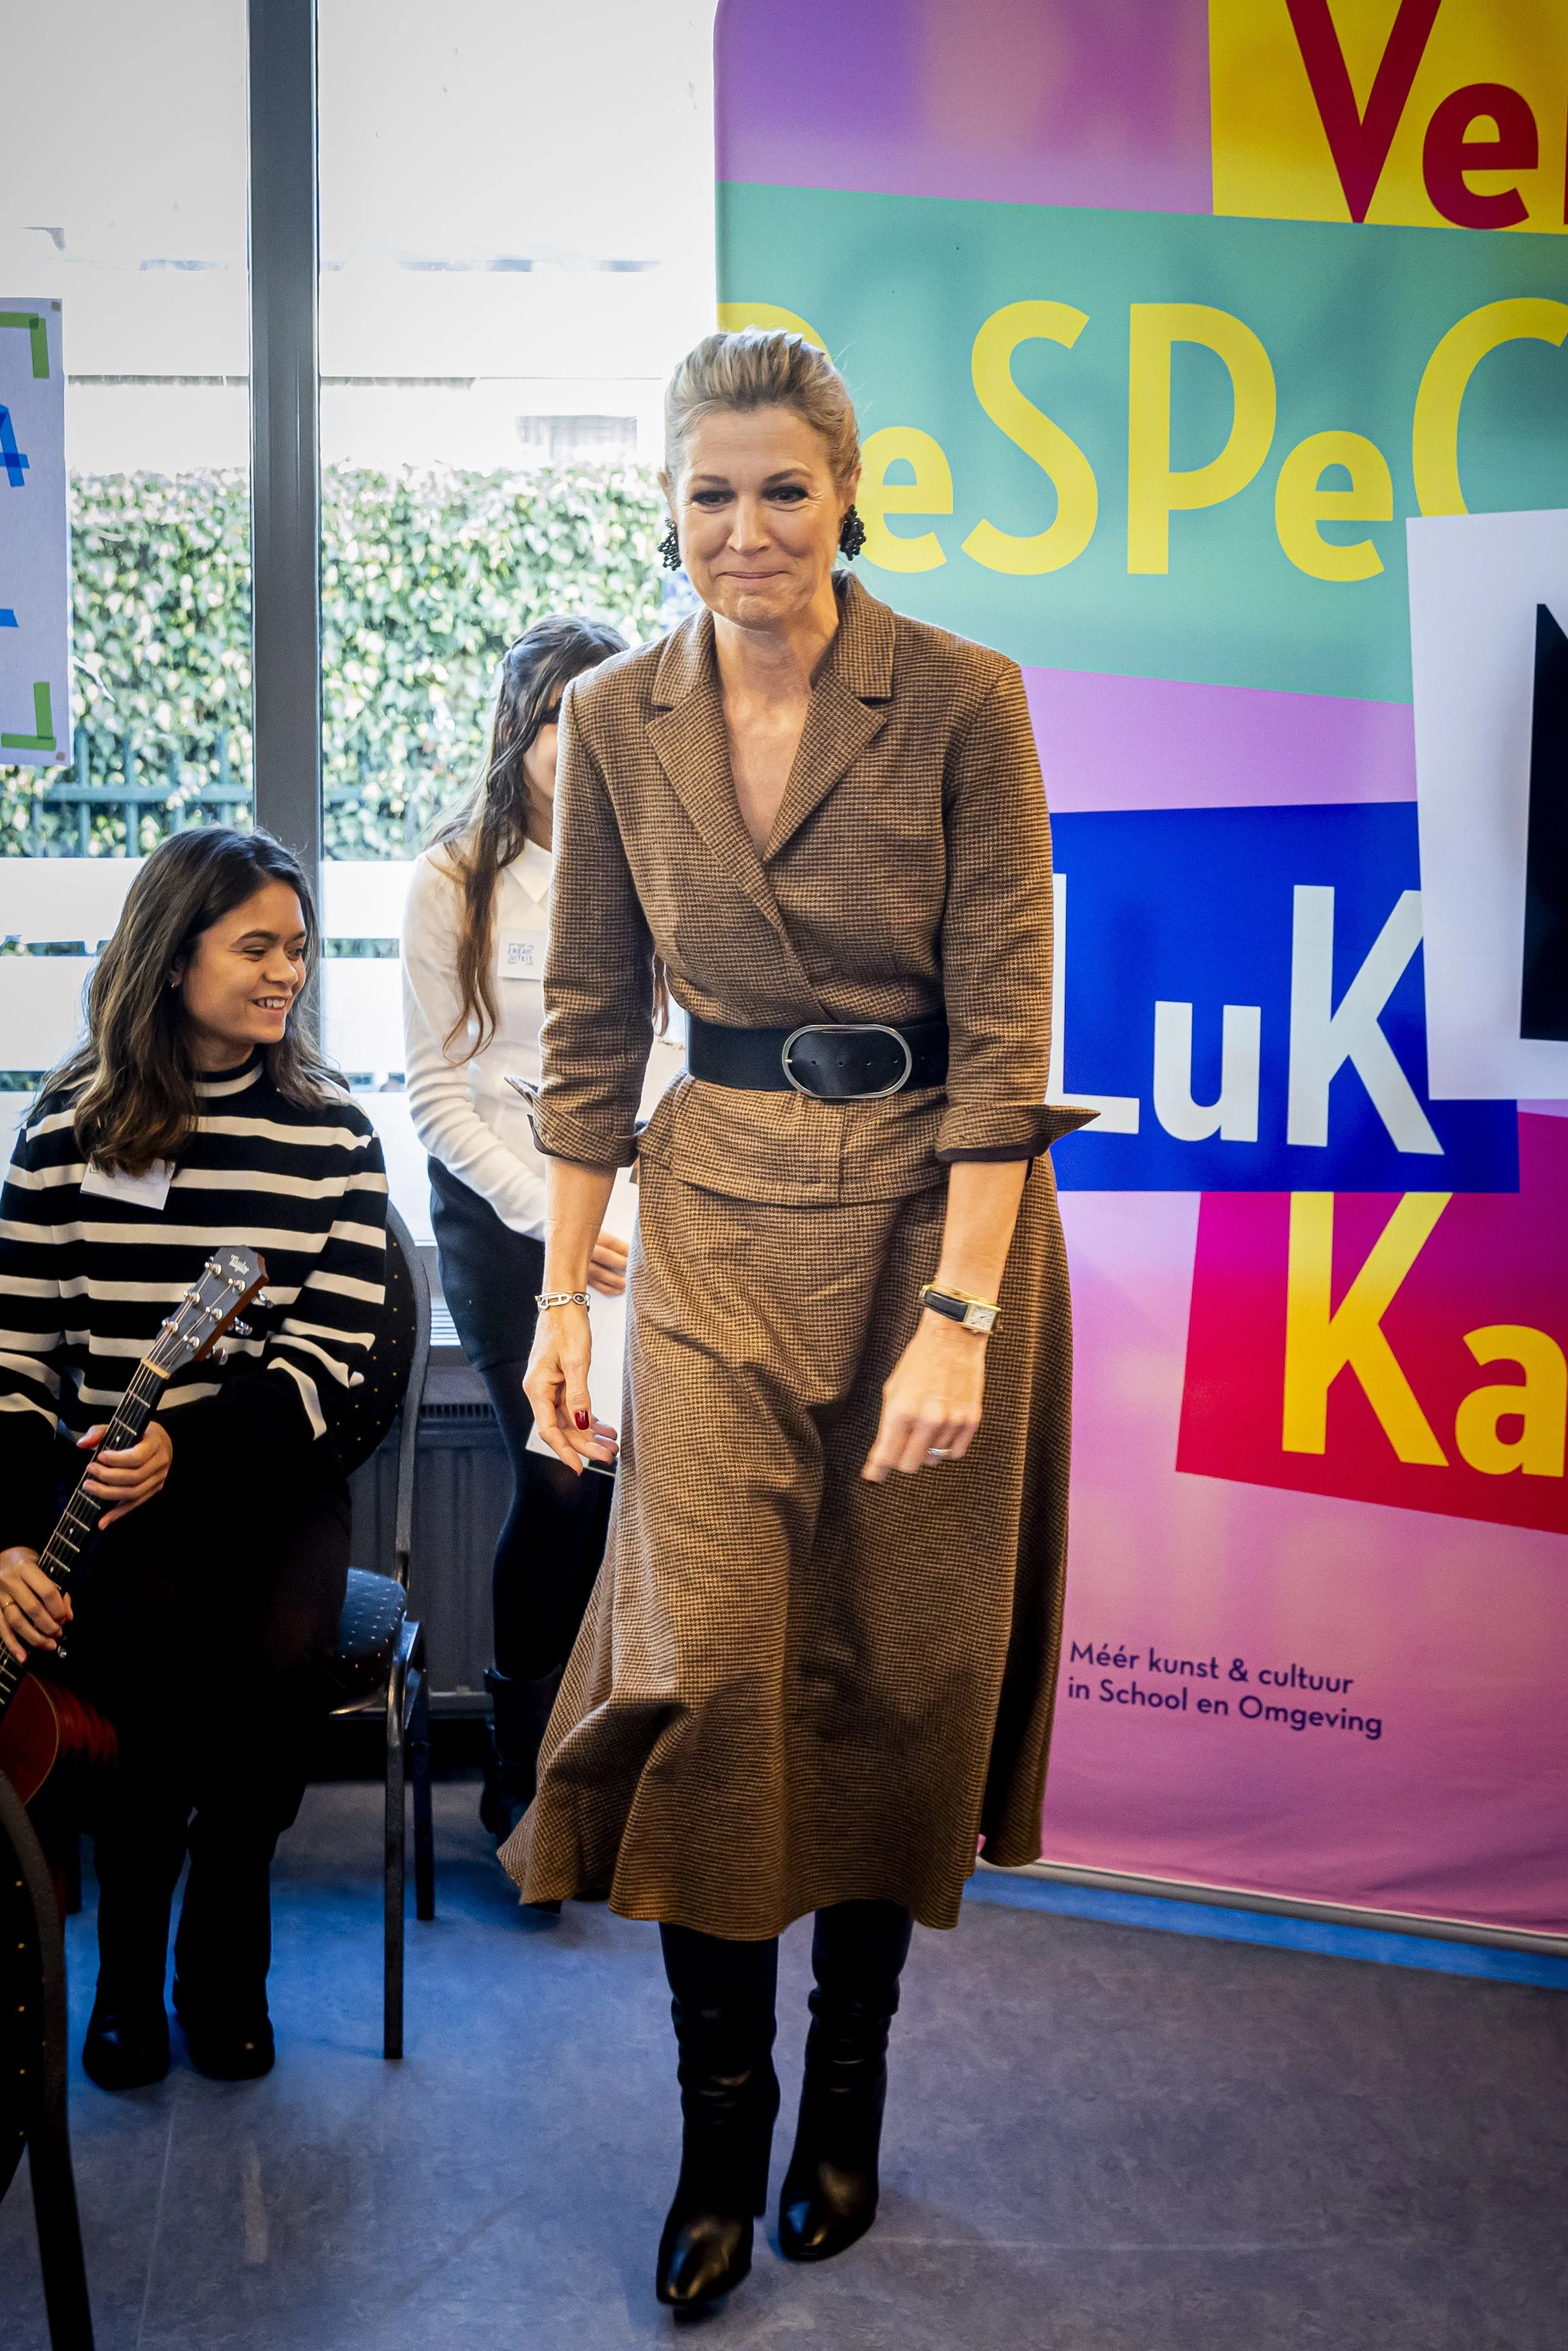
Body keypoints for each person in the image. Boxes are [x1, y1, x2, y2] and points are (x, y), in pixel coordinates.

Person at [509, 329, 1090, 2307]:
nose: (743, 529)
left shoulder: (959, 696)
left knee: (885, 1669)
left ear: (847, 493)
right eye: (707, 493)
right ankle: (717, 2131)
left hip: (938, 1220)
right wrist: (561, 1300)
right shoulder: (614, 714)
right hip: (714, 1224)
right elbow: (587, 1031)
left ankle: (847, 2092)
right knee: (704, 1677)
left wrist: (961, 1313)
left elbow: (1006, 1031)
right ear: (665, 506)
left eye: (780, 489)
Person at [0, 827, 388, 2088]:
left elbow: (327, 1363)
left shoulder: (335, 1133)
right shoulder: (65, 1129)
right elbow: (14, 1360)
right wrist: (10, 1536)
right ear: (173, 958)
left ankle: (222, 1962)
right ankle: (125, 1969)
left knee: (275, 1672)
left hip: (270, 1479)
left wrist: (188, 1445)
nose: (288, 973)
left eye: (299, 948)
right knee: (150, 1676)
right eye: (256, 947)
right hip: (109, 1490)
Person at [403, 616, 671, 1837]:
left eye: (601, 715)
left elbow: (669, 1057)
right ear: (517, 730)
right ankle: (518, 1767)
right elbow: (435, 1098)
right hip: (502, 1218)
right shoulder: (452, 880)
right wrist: (554, 1217)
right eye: (559, 717)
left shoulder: (658, 864)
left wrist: (629, 1206)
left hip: (640, 1207)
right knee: (561, 1480)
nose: (579, 740)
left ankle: (599, 1762)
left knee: (630, 1484)